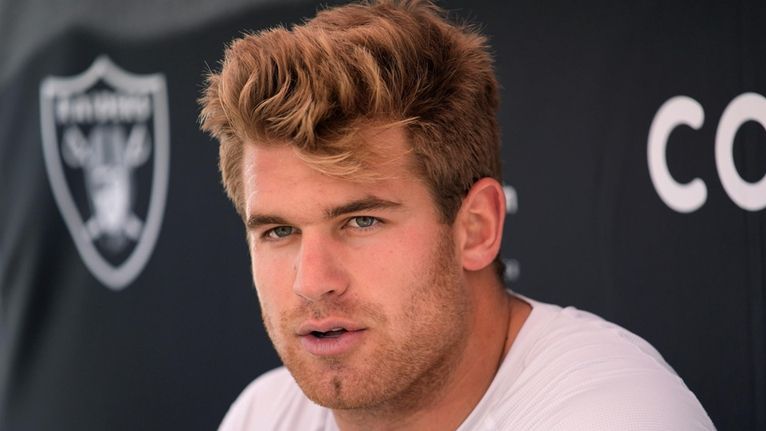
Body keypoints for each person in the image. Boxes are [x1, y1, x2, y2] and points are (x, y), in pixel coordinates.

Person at [199, 1, 715, 429]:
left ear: (477, 227)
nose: (311, 282)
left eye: (362, 221)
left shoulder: (614, 415)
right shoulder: (263, 414)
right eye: (280, 230)